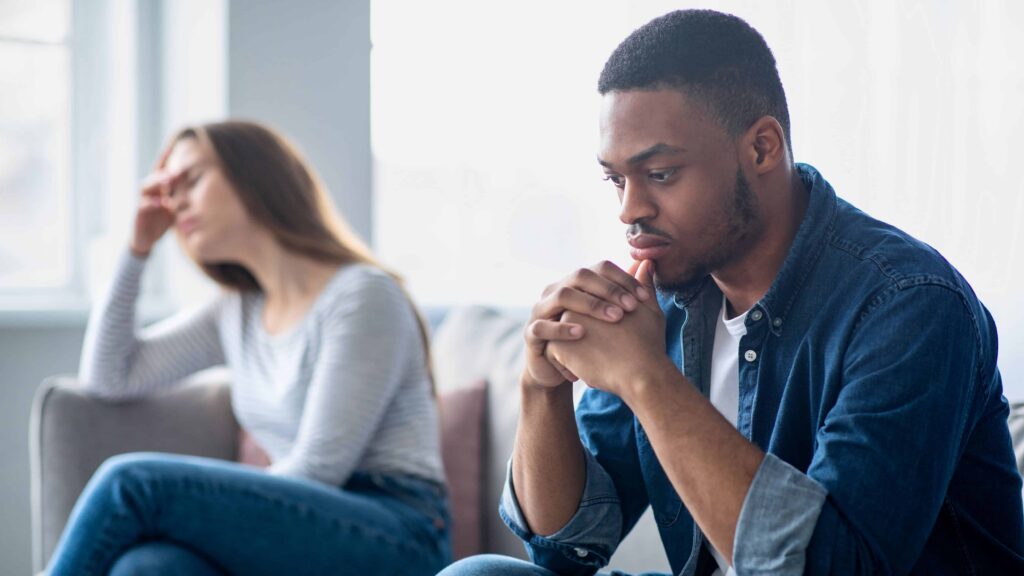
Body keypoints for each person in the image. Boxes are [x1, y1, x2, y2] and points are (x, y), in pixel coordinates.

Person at [440, 9, 1024, 576]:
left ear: (762, 148)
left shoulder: (909, 305)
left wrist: (647, 380)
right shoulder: (668, 299)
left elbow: (832, 567)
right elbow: (566, 550)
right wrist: (541, 388)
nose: (629, 209)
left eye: (660, 174)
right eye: (616, 179)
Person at [47, 121, 450, 576]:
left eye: (192, 180)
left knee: (131, 484)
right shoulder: (236, 311)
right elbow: (109, 377)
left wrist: (203, 510)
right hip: (302, 521)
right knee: (149, 566)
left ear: (253, 177)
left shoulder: (363, 296)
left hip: (396, 531)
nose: (174, 201)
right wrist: (137, 248)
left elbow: (319, 468)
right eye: (169, 188)